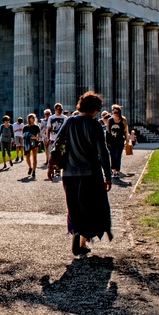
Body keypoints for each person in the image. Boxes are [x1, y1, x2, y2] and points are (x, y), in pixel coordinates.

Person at [52, 91, 113, 257]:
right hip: (90, 174)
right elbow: (103, 152)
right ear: (95, 109)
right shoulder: (94, 125)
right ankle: (82, 242)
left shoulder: (70, 121)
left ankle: (76, 232)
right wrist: (108, 175)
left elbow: (57, 143)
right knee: (90, 207)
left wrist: (52, 166)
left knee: (74, 206)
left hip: (69, 173)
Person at [105, 104, 129, 179]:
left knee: (118, 156)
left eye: (117, 112)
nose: (115, 114)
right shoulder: (110, 120)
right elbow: (108, 131)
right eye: (114, 112)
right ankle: (114, 171)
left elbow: (126, 130)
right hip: (111, 141)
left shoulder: (123, 120)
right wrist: (107, 142)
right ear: (112, 112)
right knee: (113, 156)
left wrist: (127, 140)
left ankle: (117, 172)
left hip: (120, 141)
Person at [46, 103, 68, 181]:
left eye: (61, 109)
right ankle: (53, 168)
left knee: (60, 155)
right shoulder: (51, 118)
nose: (60, 111)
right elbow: (48, 129)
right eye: (59, 109)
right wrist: (48, 138)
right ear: (55, 109)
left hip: (62, 139)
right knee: (53, 154)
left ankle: (57, 170)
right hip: (53, 138)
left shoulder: (65, 118)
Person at [22, 113, 41, 179]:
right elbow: (23, 135)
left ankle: (34, 170)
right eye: (32, 118)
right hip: (27, 143)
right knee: (27, 157)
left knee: (34, 157)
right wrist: (31, 137)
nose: (33, 119)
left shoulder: (36, 127)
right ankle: (30, 167)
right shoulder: (25, 127)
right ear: (29, 119)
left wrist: (35, 138)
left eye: (34, 118)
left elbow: (39, 135)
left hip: (34, 143)